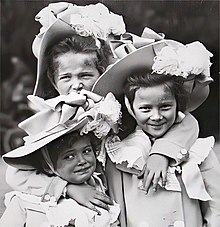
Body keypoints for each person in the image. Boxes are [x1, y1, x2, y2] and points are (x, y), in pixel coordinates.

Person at [5, 2, 204, 221]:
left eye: (85, 75)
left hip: (131, 200)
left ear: (101, 72)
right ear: (53, 81)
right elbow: (16, 173)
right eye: (66, 77)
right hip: (85, 209)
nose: (76, 85)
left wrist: (162, 153)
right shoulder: (52, 120)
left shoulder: (119, 107)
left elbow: (186, 122)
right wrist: (67, 188)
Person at [92, 39, 220, 226]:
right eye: (145, 109)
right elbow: (116, 206)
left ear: (178, 105)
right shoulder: (119, 154)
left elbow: (216, 206)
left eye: (165, 106)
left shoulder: (199, 150)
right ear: (130, 107)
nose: (156, 116)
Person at [1, 95, 120, 227]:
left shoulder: (98, 187)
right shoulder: (25, 201)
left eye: (86, 151)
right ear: (47, 166)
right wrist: (66, 187)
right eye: (69, 156)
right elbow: (14, 175)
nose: (82, 161)